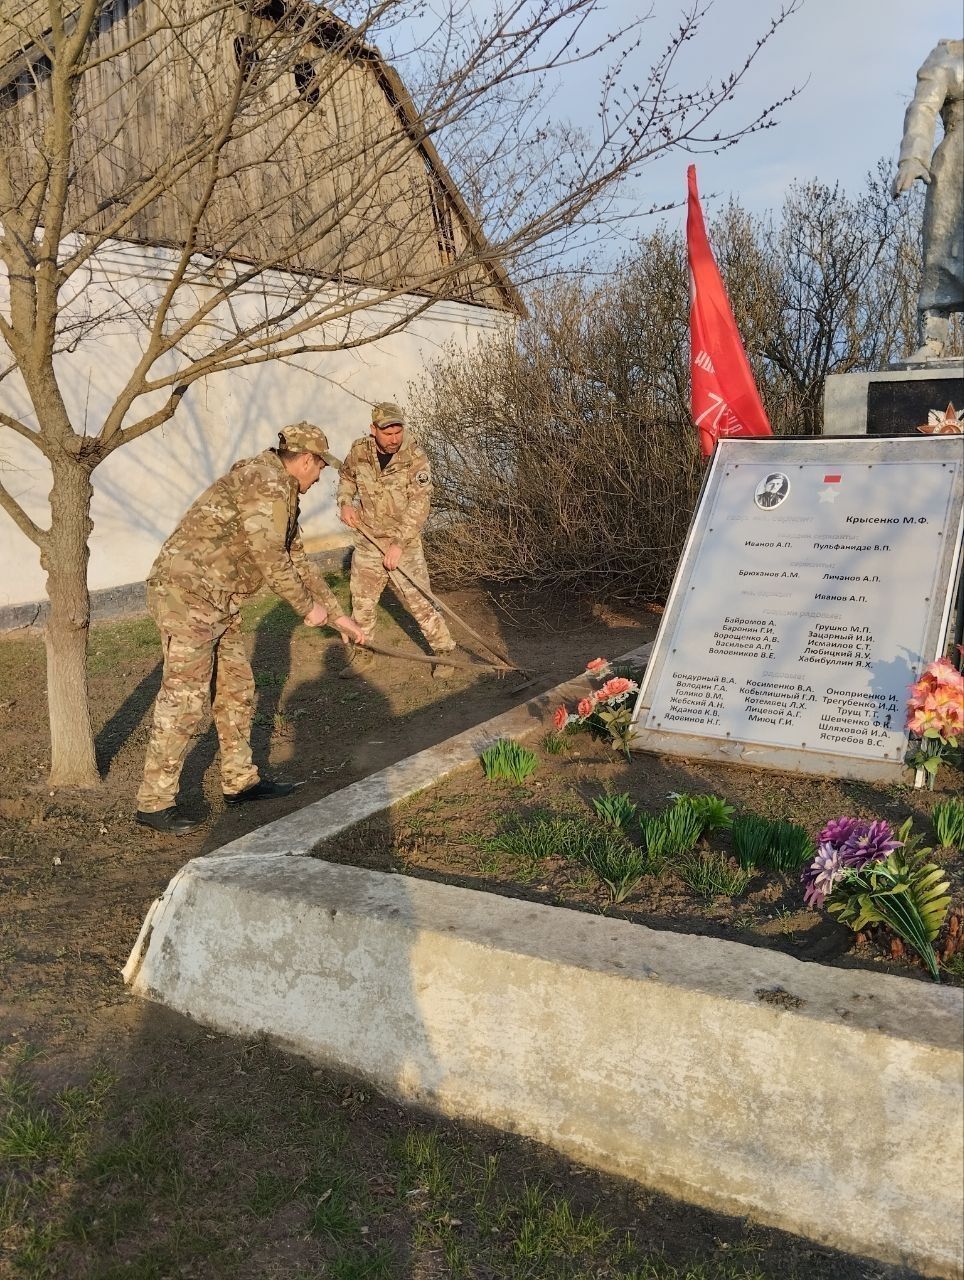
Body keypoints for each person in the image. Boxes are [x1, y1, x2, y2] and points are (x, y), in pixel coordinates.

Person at [135, 423, 364, 834]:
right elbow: (270, 559)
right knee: (185, 699)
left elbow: (297, 560)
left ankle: (240, 781)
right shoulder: (265, 482)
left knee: (237, 689)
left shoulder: (282, 491)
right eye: (320, 468)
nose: (319, 478)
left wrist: (336, 616)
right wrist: (306, 608)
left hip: (219, 600)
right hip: (187, 596)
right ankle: (154, 802)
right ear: (306, 460)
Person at [337, 402, 456, 679]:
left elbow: (420, 503)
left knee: (420, 601)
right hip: (368, 540)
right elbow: (346, 478)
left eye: (398, 432)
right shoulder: (359, 451)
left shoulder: (414, 456)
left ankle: (444, 652)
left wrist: (399, 544)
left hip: (405, 544)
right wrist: (345, 502)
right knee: (362, 602)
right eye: (387, 433)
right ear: (373, 430)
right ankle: (364, 654)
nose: (394, 439)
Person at [892, 39, 964, 361]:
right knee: (941, 248)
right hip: (956, 165)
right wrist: (913, 157)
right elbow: (922, 107)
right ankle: (932, 339)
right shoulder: (950, 55)